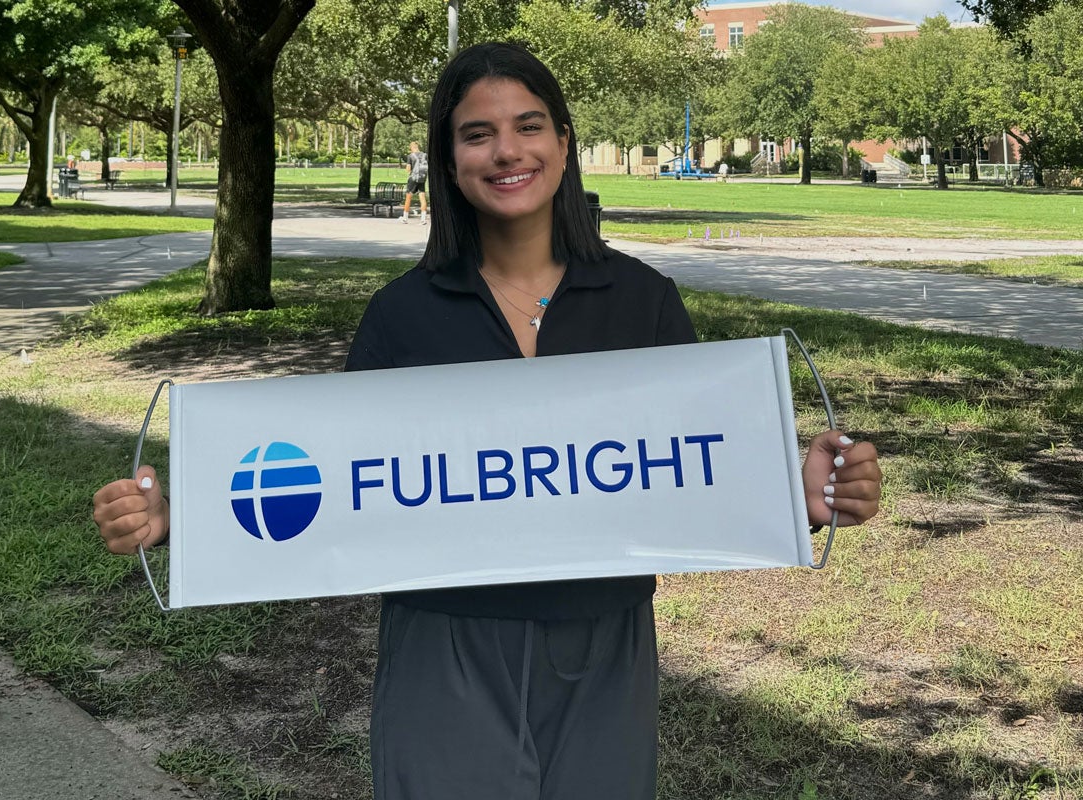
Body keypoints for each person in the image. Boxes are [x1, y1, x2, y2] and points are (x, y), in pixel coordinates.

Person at [92, 42, 882, 800]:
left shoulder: (644, 303)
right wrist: (184, 516)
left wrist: (796, 497)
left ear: (564, 145)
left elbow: (693, 466)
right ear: (449, 161)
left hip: (606, 635)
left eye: (528, 126)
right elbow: (333, 485)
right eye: (478, 134)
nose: (507, 151)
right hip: (445, 641)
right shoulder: (401, 317)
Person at [400, 140, 428, 224]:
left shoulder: (411, 156)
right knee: (422, 198)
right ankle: (423, 219)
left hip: (413, 179)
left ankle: (405, 218)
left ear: (412, 148)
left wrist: (408, 168)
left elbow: (408, 169)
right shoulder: (425, 155)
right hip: (422, 179)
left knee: (408, 197)